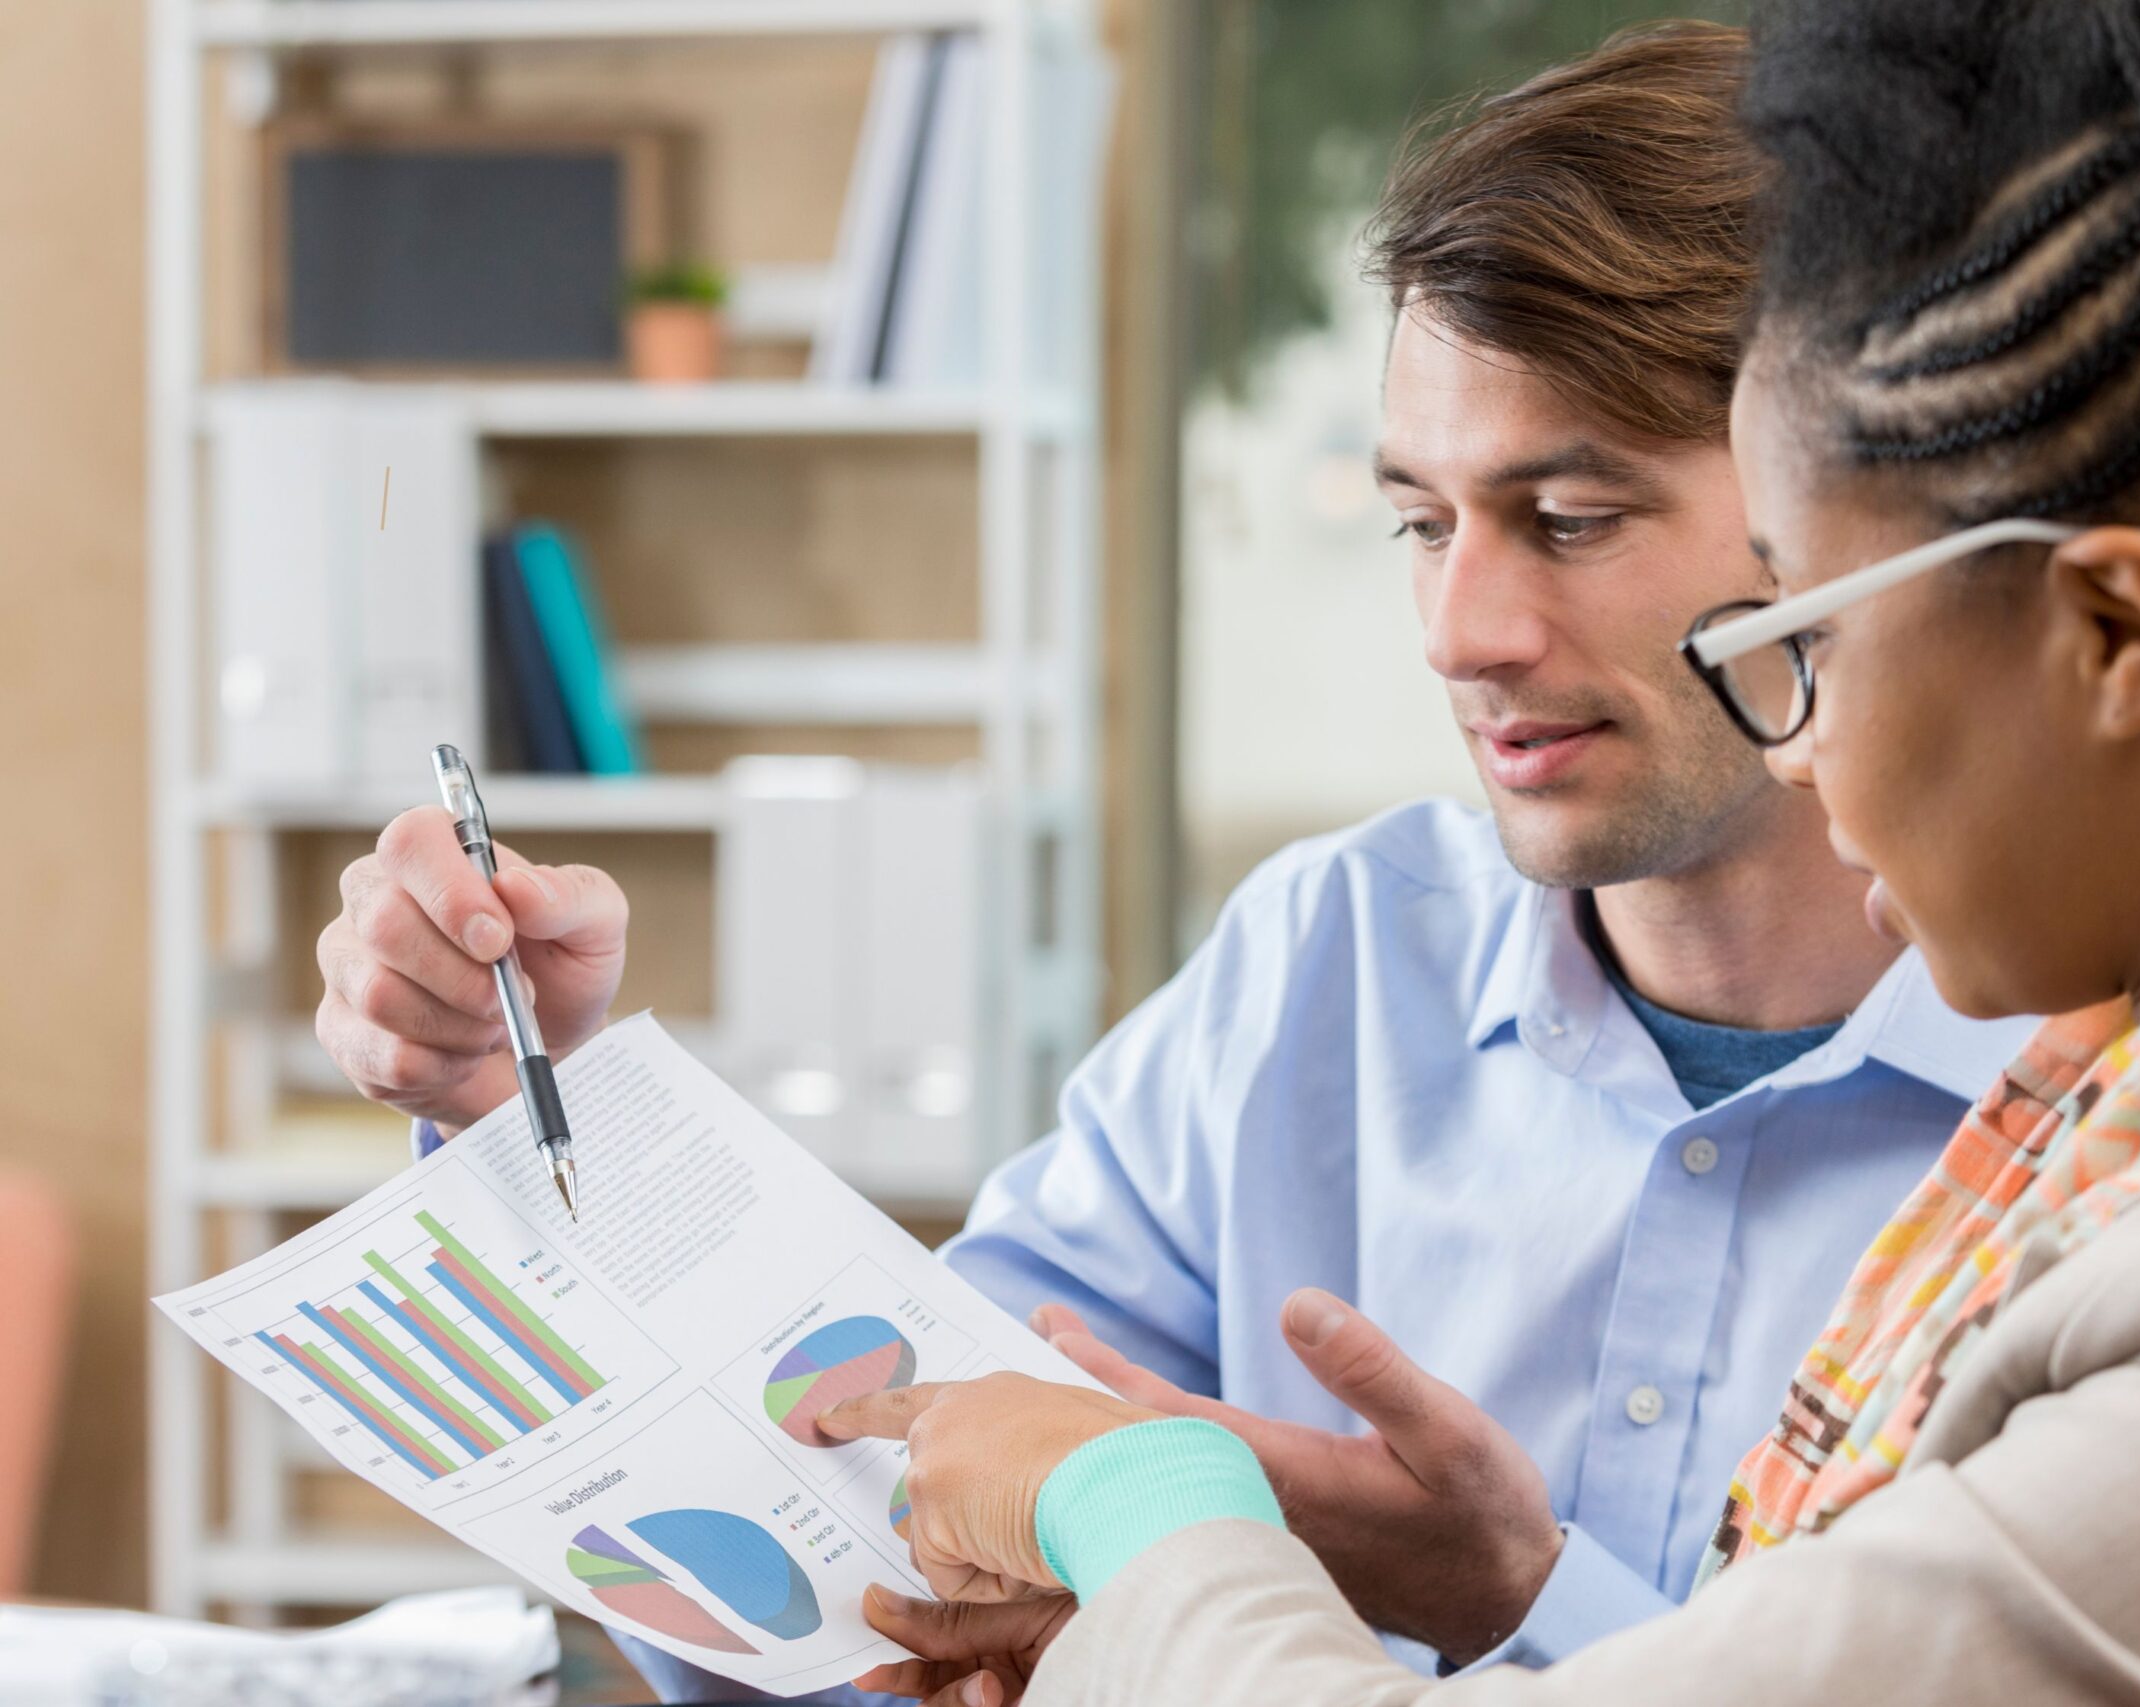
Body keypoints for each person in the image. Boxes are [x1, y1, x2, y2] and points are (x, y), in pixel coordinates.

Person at [821, 0, 2140, 1702]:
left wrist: (1136, 1511)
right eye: (1421, 524)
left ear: (2114, 635)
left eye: (1811, 634)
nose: (1792, 729)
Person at [307, 24, 2030, 1702]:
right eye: (1423, 523)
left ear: (1853, 510)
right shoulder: (1328, 961)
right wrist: (542, 1120)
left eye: (1571, 521)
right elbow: (850, 1574)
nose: (1462, 631)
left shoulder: (2124, 1105)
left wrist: (1508, 1597)